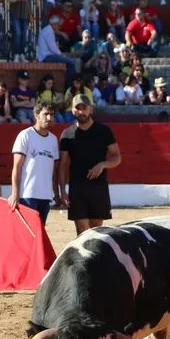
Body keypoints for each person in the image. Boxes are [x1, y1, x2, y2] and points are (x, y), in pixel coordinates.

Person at [58, 96, 122, 236]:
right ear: (72, 111)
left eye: (84, 108)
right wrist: (62, 190)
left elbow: (117, 157)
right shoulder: (67, 134)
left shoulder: (103, 131)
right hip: (77, 189)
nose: (81, 112)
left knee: (96, 231)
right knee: (82, 232)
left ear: (91, 109)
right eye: (78, 108)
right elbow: (62, 165)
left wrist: (102, 165)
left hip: (98, 187)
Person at [8, 101, 59, 224]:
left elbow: (54, 172)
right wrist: (15, 193)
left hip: (46, 196)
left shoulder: (53, 139)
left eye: (52, 114)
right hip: (27, 195)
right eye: (45, 114)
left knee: (39, 231)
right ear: (36, 115)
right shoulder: (25, 135)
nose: (49, 118)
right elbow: (17, 167)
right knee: (29, 232)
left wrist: (56, 194)